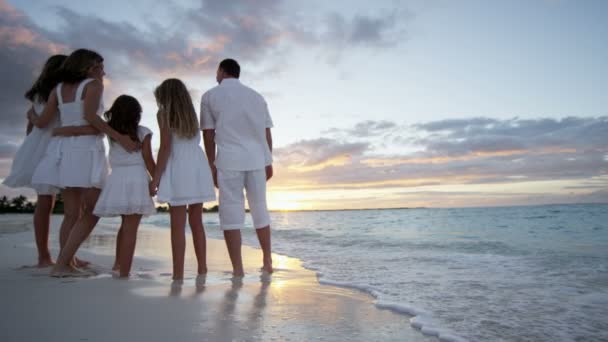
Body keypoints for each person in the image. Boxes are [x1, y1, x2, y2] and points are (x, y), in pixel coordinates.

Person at [29, 48, 140, 277]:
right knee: (95, 209)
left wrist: (53, 125)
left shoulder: (58, 90)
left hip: (63, 150)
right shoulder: (92, 85)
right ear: (89, 68)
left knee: (72, 213)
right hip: (86, 150)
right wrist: (118, 137)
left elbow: (43, 123)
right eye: (100, 67)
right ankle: (62, 264)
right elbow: (91, 117)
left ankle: (66, 264)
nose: (104, 72)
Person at [201, 58, 274, 277]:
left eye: (216, 71)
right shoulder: (257, 97)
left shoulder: (210, 96)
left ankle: (238, 269)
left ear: (222, 71)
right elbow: (266, 132)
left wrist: (211, 164)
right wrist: (269, 160)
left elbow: (208, 132)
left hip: (229, 161)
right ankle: (268, 260)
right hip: (256, 160)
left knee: (231, 213)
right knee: (260, 208)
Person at [2, 54, 69, 267]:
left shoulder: (38, 94)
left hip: (37, 145)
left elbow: (31, 126)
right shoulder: (60, 91)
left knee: (45, 202)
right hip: (55, 144)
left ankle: (44, 256)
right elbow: (41, 122)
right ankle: (63, 257)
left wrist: (29, 136)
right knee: (71, 201)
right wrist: (33, 120)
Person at [149, 78, 216, 280]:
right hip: (197, 165)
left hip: (178, 166)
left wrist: (156, 178)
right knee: (197, 222)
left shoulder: (164, 113)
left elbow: (166, 147)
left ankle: (178, 274)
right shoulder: (191, 114)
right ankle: (202, 269)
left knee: (177, 224)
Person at [86, 95, 156, 278]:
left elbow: (96, 119)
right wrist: (157, 180)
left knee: (125, 226)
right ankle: (125, 272)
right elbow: (148, 160)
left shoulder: (112, 134)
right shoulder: (143, 132)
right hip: (136, 179)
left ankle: (118, 265)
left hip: (116, 179)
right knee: (131, 229)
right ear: (137, 114)